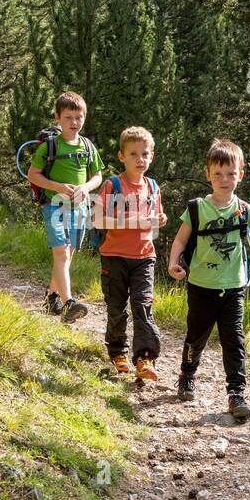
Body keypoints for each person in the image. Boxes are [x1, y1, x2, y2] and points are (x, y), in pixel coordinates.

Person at [167, 138, 250, 420]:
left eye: (231, 174)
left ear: (241, 175)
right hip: (201, 287)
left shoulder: (244, 211)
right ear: (208, 175)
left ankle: (236, 394)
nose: (224, 180)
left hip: (233, 288)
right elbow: (179, 240)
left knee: (234, 340)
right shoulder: (197, 209)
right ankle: (187, 376)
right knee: (195, 337)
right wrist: (172, 263)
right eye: (218, 174)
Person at [94, 126, 166, 379]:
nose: (140, 160)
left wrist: (159, 220)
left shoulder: (153, 187)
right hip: (114, 256)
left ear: (152, 156)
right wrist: (133, 222)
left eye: (145, 154)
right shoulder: (112, 185)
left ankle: (145, 358)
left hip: (145, 256)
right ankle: (118, 352)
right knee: (116, 307)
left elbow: (152, 224)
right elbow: (98, 220)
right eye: (133, 154)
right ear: (121, 156)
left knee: (143, 306)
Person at [28, 91, 104, 322]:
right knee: (61, 252)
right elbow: (33, 174)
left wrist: (86, 188)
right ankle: (69, 302)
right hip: (54, 206)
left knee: (67, 254)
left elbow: (98, 176)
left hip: (79, 208)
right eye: (69, 117)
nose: (74, 122)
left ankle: (52, 296)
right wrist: (57, 186)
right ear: (58, 118)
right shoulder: (50, 146)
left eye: (79, 117)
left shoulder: (88, 146)